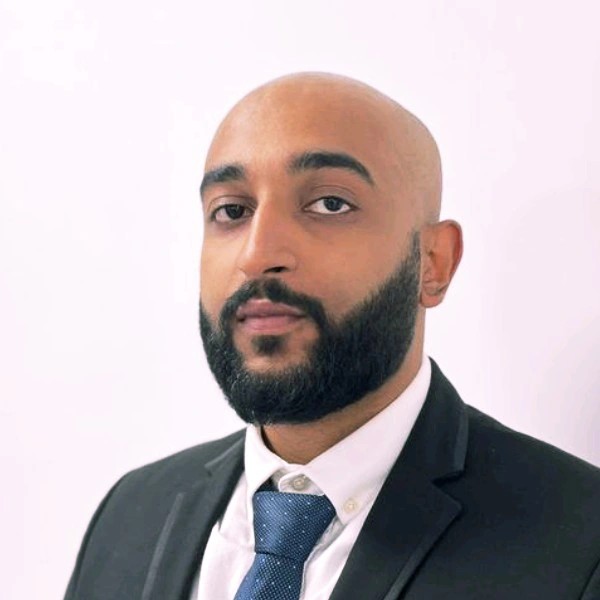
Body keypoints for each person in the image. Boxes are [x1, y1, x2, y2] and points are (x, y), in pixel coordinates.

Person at [64, 73, 600, 600]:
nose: (257, 254)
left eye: (329, 204)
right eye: (232, 211)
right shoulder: (130, 516)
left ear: (433, 263)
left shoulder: (579, 544)